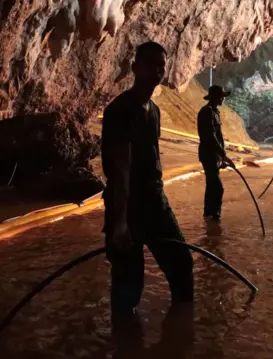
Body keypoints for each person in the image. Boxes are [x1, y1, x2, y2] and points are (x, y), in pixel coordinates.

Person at [101, 41, 194, 319]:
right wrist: (119, 224)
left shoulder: (153, 110)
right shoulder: (120, 110)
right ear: (134, 68)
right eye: (150, 64)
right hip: (128, 204)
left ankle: (182, 335)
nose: (157, 70)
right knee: (128, 284)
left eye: (161, 65)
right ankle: (126, 342)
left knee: (181, 263)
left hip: (155, 200)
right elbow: (121, 169)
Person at [197, 85, 235, 221]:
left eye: (223, 96)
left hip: (214, 155)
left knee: (211, 185)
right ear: (212, 97)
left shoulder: (215, 112)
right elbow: (210, 137)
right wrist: (224, 156)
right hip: (208, 155)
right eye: (220, 96)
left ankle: (208, 214)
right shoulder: (206, 112)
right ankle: (215, 217)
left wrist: (221, 158)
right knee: (218, 188)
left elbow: (218, 137)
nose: (223, 98)